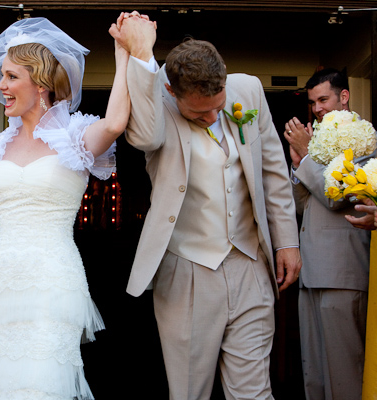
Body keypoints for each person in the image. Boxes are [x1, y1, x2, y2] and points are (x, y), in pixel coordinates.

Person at [0, 16, 129, 399]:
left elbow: (115, 123)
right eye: (2, 76)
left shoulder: (75, 138)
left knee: (41, 384)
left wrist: (125, 52)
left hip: (51, 282)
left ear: (42, 82)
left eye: (12, 77)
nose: (1, 86)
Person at [109, 12, 301, 399]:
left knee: (253, 392)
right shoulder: (154, 104)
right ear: (172, 90)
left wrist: (286, 242)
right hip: (188, 270)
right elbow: (145, 137)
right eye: (200, 112)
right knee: (190, 392)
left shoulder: (247, 91)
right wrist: (141, 51)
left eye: (218, 106)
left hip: (250, 263)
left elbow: (273, 173)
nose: (213, 117)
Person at [284, 68, 370, 400]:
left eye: (323, 99)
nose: (317, 108)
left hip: (343, 271)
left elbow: (341, 197)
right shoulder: (315, 139)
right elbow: (304, 207)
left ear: (343, 96)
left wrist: (306, 157)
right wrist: (297, 165)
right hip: (312, 271)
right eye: (312, 102)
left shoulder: (362, 137)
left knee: (345, 373)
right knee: (315, 374)